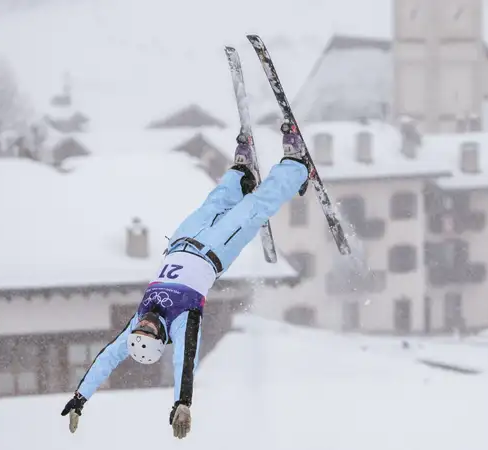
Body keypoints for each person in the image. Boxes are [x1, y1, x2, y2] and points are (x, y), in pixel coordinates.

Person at [59, 122, 309, 439]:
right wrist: (182, 402)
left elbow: (108, 358)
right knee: (253, 208)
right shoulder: (180, 322)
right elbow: (184, 362)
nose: (145, 322)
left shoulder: (138, 323)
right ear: (161, 335)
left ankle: (240, 176)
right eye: (150, 329)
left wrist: (80, 397)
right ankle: (296, 166)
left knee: (215, 202)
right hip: (216, 249)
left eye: (140, 327)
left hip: (181, 240)